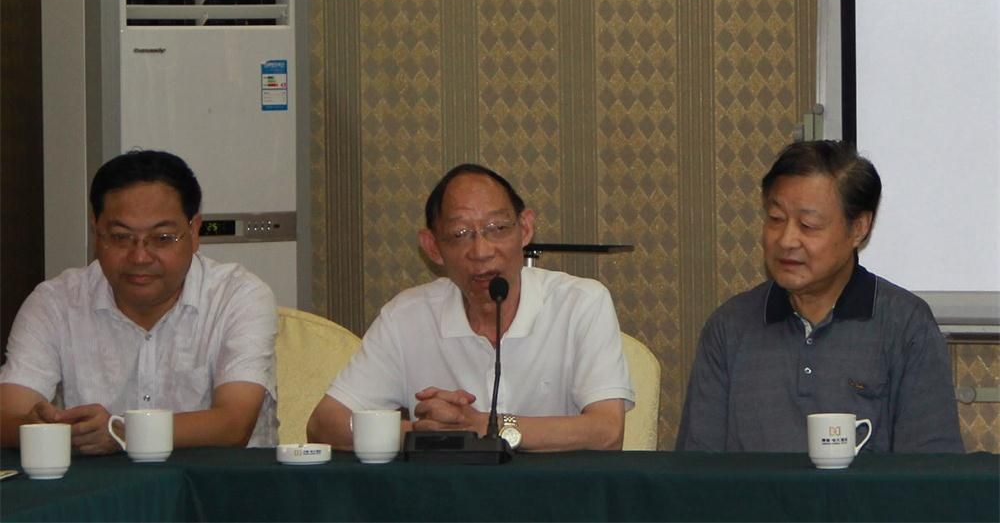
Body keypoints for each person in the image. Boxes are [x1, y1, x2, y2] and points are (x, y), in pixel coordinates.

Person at [307, 164, 634, 451]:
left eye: (498, 229)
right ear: (433, 247)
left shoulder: (581, 303)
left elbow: (606, 431)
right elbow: (325, 424)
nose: (481, 251)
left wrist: (483, 426)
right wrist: (426, 434)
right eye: (460, 234)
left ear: (525, 229)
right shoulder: (406, 316)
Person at [676, 140, 963, 453]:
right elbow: (697, 467)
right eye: (776, 218)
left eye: (808, 225)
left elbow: (930, 469)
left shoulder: (906, 326)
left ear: (859, 228)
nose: (787, 240)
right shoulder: (729, 327)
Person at [0, 150, 278, 453]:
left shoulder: (238, 296)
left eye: (162, 238)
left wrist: (121, 433)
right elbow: (7, 417)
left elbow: (233, 424)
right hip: (98, 482)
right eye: (121, 237)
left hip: (220, 481)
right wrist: (51, 429)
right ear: (96, 230)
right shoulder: (55, 302)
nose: (140, 257)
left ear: (194, 231)